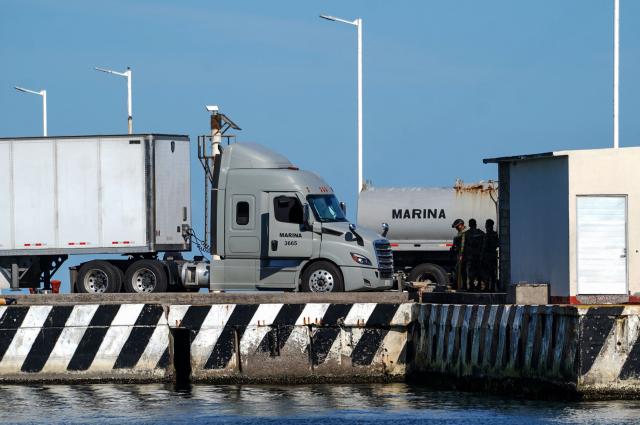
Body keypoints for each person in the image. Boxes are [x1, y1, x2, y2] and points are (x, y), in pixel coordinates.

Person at [464, 218, 485, 291]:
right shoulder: (481, 233)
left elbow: (464, 246)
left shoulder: (467, 234)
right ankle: (479, 286)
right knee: (479, 271)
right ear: (475, 224)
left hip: (471, 256)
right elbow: (484, 244)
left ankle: (471, 287)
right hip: (479, 256)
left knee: (470, 272)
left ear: (469, 225)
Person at [482, 218, 499, 292]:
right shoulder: (495, 234)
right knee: (492, 273)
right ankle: (492, 288)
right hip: (493, 255)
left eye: (486, 225)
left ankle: (487, 287)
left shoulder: (487, 235)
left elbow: (484, 247)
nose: (485, 227)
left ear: (489, 226)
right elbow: (497, 244)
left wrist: (482, 256)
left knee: (487, 273)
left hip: (487, 256)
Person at [450, 219, 467, 291]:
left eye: (457, 227)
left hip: (463, 254)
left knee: (462, 271)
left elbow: (463, 245)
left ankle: (462, 286)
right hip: (459, 253)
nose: (456, 228)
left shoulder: (464, 233)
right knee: (458, 270)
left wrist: (461, 255)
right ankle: (458, 285)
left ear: (461, 225)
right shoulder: (460, 232)